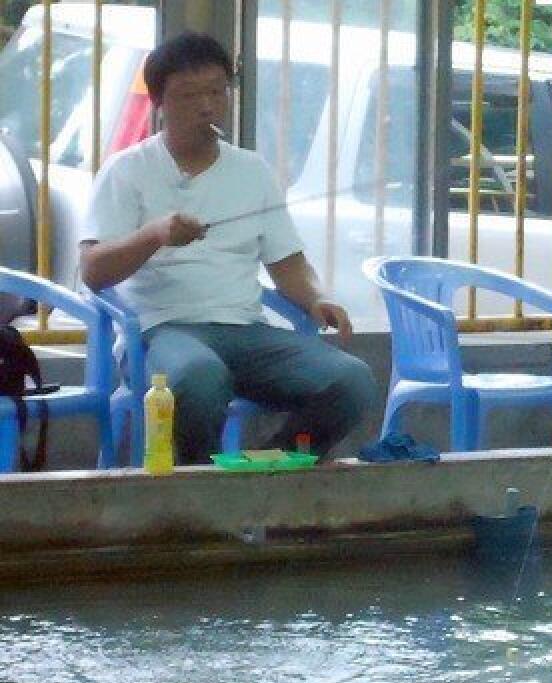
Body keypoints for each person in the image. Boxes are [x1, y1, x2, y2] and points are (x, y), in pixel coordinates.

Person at [80, 31, 375, 463]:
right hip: (163, 331)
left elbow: (288, 262)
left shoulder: (252, 171)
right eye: (188, 95)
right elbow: (92, 269)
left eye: (217, 92)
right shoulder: (127, 171)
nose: (206, 106)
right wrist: (154, 235)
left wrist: (317, 298)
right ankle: (204, 487)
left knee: (353, 380)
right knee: (198, 377)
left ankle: (263, 468)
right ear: (159, 102)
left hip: (246, 331)